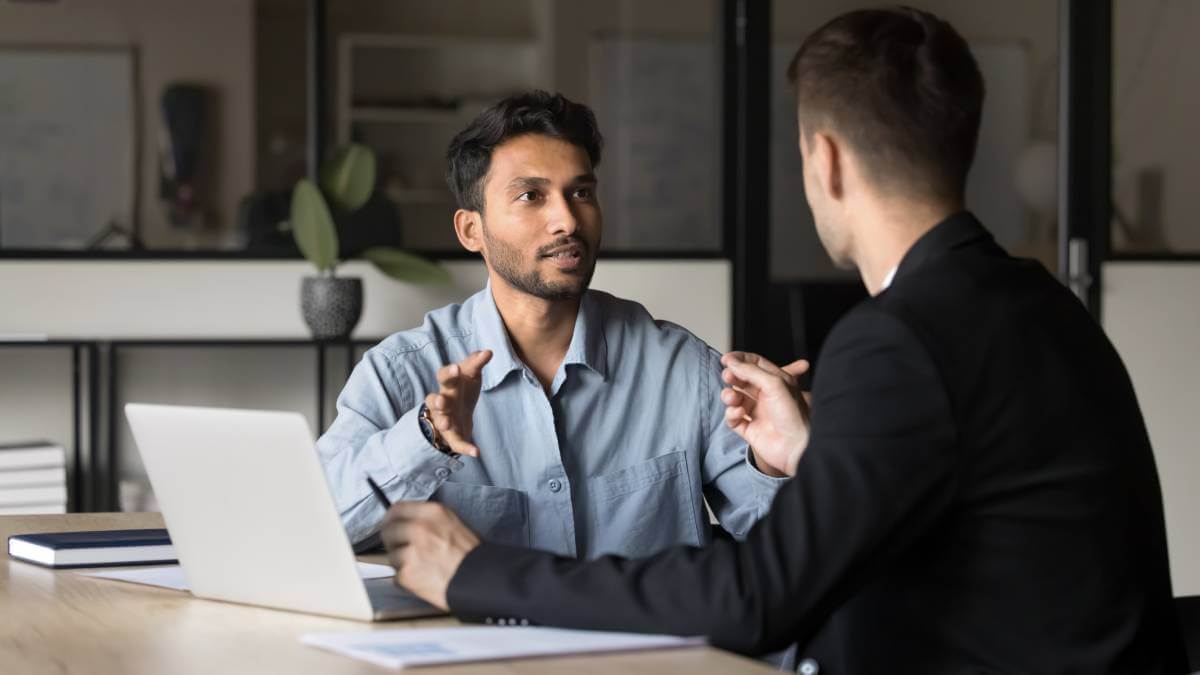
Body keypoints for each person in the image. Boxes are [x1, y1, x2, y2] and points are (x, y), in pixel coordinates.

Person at [379, 7, 1187, 672]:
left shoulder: (896, 337)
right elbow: (982, 503)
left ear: (824, 162)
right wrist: (814, 455)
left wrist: (479, 571)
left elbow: (756, 597)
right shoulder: (1042, 302)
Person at [317, 91, 788, 562]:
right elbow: (317, 529)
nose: (567, 219)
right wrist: (427, 441)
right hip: (474, 637)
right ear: (470, 231)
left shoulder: (681, 369)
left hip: (642, 636)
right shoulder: (401, 373)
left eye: (581, 192)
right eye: (531, 196)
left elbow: (785, 546)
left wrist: (774, 460)